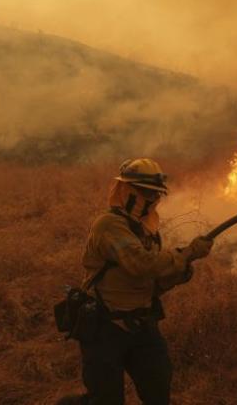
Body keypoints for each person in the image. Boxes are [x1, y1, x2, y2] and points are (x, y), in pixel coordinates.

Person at [69, 158, 214, 405]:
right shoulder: (109, 225)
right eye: (144, 191)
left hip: (142, 325)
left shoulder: (146, 231)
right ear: (126, 191)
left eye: (154, 193)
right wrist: (187, 253)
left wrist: (182, 271)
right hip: (105, 327)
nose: (150, 198)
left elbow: (153, 278)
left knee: (158, 392)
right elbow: (141, 265)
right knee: (105, 400)